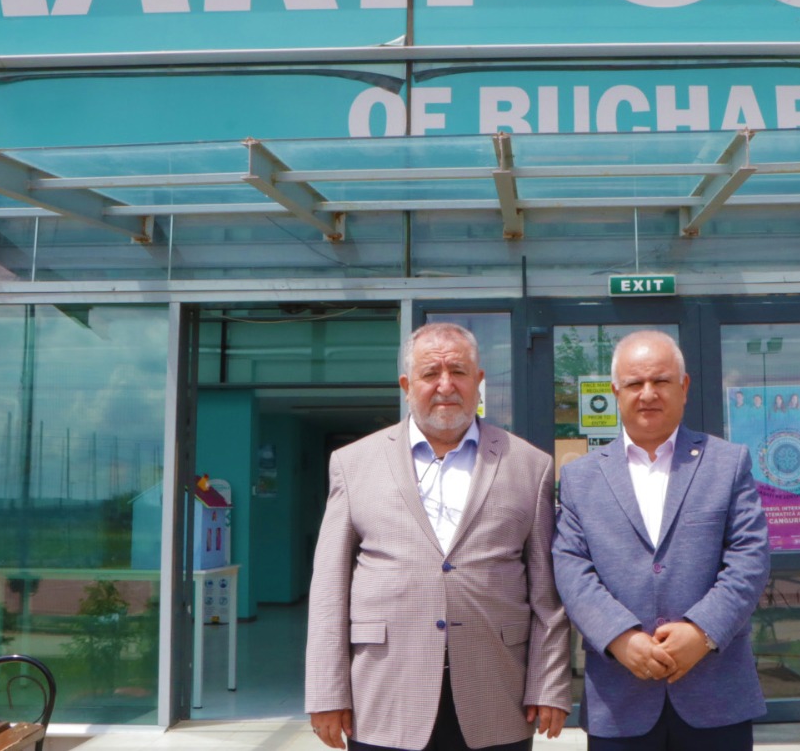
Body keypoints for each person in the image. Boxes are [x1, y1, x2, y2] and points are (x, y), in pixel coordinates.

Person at [305, 322, 571, 751]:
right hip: (385, 694)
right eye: (431, 373)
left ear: (478, 381)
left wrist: (550, 683)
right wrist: (326, 692)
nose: (446, 385)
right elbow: (328, 589)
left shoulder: (529, 465)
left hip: (496, 692)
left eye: (459, 372)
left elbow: (547, 594)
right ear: (407, 386)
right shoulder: (353, 464)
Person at [552, 330, 771, 750]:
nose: (648, 393)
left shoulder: (727, 463)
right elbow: (571, 568)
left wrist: (702, 632)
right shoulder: (580, 477)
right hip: (619, 700)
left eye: (661, 381)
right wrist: (619, 637)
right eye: (635, 383)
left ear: (684, 387)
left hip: (715, 695)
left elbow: (750, 558)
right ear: (615, 392)